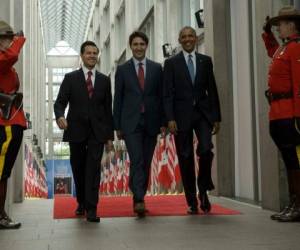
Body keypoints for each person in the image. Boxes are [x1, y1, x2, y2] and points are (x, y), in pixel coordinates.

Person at [163, 26, 221, 214]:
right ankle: (191, 201)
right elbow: (167, 94)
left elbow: (212, 90)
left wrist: (216, 117)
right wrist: (169, 118)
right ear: (179, 40)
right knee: (185, 157)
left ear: (196, 39)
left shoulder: (206, 61)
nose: (188, 39)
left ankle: (203, 188)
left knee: (205, 149)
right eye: (184, 37)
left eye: (191, 36)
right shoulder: (171, 63)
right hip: (180, 117)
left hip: (203, 115)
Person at [54, 41, 114, 223]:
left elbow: (107, 109)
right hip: (76, 131)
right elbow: (60, 102)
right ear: (82, 55)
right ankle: (81, 200)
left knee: (93, 170)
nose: (92, 56)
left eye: (95, 53)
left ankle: (92, 207)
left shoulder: (104, 80)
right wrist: (59, 116)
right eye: (88, 53)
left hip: (97, 133)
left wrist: (109, 136)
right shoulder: (70, 78)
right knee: (79, 169)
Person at [113, 31, 165, 217]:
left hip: (151, 121)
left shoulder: (157, 68)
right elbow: (117, 99)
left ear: (146, 46)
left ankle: (136, 189)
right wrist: (117, 126)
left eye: (142, 44)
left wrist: (163, 121)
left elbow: (161, 97)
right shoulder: (122, 69)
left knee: (146, 160)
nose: (138, 47)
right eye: (135, 44)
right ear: (130, 46)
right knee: (137, 159)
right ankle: (139, 198)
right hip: (130, 123)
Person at [262, 6, 300, 222]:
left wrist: (298, 115)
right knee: (288, 159)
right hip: (277, 112)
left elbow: (298, 83)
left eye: (281, 25)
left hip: (289, 113)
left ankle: (298, 204)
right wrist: (267, 32)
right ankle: (293, 202)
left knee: (294, 161)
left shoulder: (296, 48)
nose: (278, 28)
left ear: (291, 25)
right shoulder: (283, 49)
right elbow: (271, 50)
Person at [0, 20, 26, 229]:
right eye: (7, 38)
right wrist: (19, 40)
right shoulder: (4, 58)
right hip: (4, 122)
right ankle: (0, 216)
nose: (11, 41)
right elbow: (12, 55)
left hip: (11, 118)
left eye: (11, 37)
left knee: (4, 172)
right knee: (2, 171)